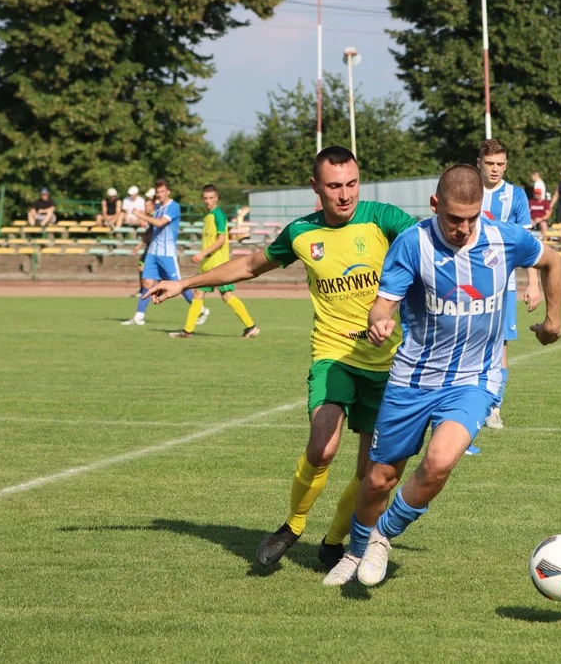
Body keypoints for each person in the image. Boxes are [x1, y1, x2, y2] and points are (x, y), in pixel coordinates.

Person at [144, 146, 416, 571]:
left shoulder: (385, 219)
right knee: (322, 445)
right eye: (333, 186)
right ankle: (293, 525)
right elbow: (250, 265)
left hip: (388, 363)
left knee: (371, 471)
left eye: (351, 184)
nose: (345, 195)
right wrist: (185, 282)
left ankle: (335, 539)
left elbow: (431, 248)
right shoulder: (302, 233)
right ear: (315, 187)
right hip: (333, 355)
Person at [321, 164, 561, 587]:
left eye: (471, 218)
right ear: (436, 205)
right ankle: (355, 549)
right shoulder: (412, 244)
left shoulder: (503, 238)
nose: (463, 228)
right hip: (413, 378)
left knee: (438, 462)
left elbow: (552, 260)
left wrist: (553, 321)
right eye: (454, 218)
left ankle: (382, 537)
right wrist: (379, 321)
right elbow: (383, 304)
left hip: (476, 377)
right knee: (379, 479)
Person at [476, 138, 541, 434]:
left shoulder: (515, 195)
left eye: (500, 164)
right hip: (468, 282)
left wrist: (534, 283)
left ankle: (494, 408)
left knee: (500, 346)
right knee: (467, 342)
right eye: (490, 164)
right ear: (479, 163)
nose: (495, 169)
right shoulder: (468, 189)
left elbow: (527, 244)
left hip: (504, 285)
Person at [169, 184, 259, 339]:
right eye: (205, 198)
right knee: (202, 293)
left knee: (224, 295)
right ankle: (188, 330)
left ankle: (250, 326)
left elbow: (221, 239)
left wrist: (201, 253)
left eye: (211, 198)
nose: (208, 201)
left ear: (216, 198)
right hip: (208, 263)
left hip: (218, 263)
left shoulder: (218, 215)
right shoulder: (208, 216)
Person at [121, 179, 196, 325]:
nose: (160, 194)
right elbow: (152, 227)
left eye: (162, 191)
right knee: (147, 282)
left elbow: (160, 223)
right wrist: (143, 227)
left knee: (178, 284)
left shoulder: (173, 207)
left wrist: (140, 215)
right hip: (153, 252)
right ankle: (139, 316)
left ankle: (199, 309)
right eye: (158, 192)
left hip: (166, 253)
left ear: (168, 191)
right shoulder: (158, 208)